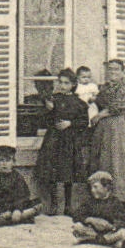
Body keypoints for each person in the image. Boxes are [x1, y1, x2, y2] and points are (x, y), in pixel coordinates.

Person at [33, 68, 90, 216]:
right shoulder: (54, 100)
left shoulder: (79, 103)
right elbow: (45, 120)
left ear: (73, 84)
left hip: (69, 141)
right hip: (54, 139)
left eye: (66, 83)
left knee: (68, 173)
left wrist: (70, 123)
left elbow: (84, 122)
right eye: (61, 82)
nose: (63, 86)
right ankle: (53, 204)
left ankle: (68, 205)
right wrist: (49, 110)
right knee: (52, 172)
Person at [88, 58, 125, 205]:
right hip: (105, 129)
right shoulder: (105, 87)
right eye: (110, 69)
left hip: (121, 126)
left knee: (120, 161)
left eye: (116, 69)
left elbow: (118, 106)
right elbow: (98, 102)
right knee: (106, 161)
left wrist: (99, 115)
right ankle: (105, 197)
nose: (112, 72)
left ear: (122, 72)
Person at [70, 170, 125, 248]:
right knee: (77, 226)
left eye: (96, 187)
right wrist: (91, 220)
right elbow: (76, 215)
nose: (93, 190)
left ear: (106, 187)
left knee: (123, 233)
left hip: (109, 233)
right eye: (91, 188)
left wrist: (110, 226)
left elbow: (123, 222)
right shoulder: (90, 201)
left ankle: (100, 239)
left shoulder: (115, 202)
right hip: (94, 232)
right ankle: (101, 240)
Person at [0, 144, 40, 225]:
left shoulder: (17, 177)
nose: (4, 163)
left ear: (13, 162)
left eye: (8, 160)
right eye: (1, 160)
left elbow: (23, 196)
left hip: (14, 206)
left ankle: (10, 218)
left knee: (37, 205)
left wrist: (17, 210)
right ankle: (0, 218)